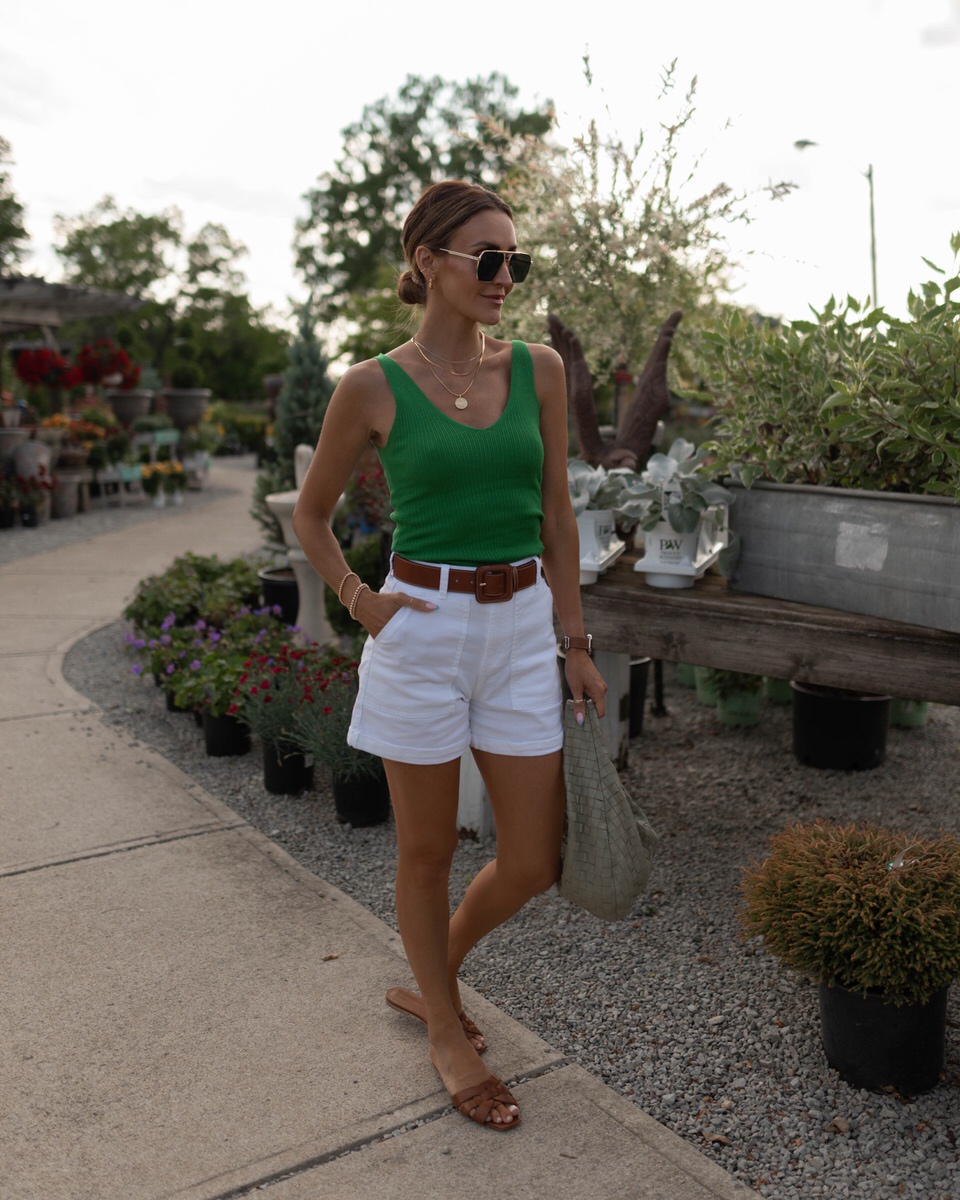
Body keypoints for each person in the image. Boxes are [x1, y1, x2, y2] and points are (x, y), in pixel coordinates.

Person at [292, 179, 607, 1132]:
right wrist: (359, 599)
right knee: (425, 851)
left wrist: (576, 641)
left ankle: (437, 980)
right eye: (487, 258)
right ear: (428, 262)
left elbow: (557, 514)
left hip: (520, 630)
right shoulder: (371, 386)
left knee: (532, 860)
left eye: (516, 259)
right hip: (419, 628)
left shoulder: (540, 369)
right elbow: (310, 515)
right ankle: (447, 1034)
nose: (505, 276)